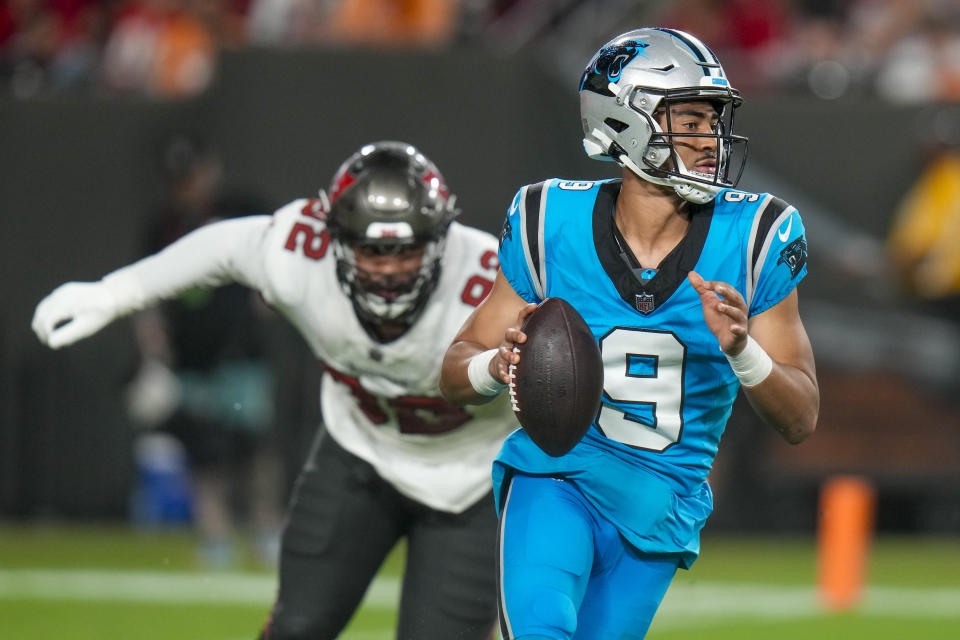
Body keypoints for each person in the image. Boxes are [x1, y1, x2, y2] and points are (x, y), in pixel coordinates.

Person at [32, 140, 513, 639]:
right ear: (334, 238)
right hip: (359, 457)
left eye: (407, 247)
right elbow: (221, 247)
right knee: (295, 629)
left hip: (470, 486)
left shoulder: (495, 280)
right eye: (371, 250)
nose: (388, 268)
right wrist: (117, 292)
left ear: (440, 239)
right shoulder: (298, 257)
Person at [439, 28, 820, 639]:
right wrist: (497, 365)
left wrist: (744, 353)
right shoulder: (549, 221)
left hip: (660, 506)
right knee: (538, 630)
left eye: (713, 122)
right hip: (556, 476)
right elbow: (454, 371)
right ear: (624, 121)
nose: (710, 142)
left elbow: (801, 419)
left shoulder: (755, 236)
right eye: (689, 121)